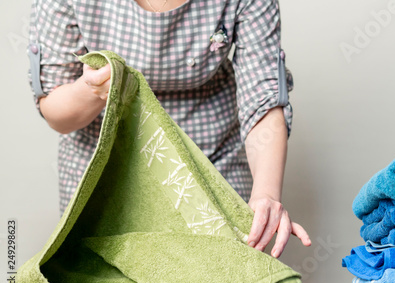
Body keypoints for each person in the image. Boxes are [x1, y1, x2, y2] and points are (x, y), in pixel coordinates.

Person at [27, 0, 311, 258]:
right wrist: (93, 89)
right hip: (105, 170)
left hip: (213, 160)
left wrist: (267, 194)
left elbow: (261, 99)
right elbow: (58, 114)